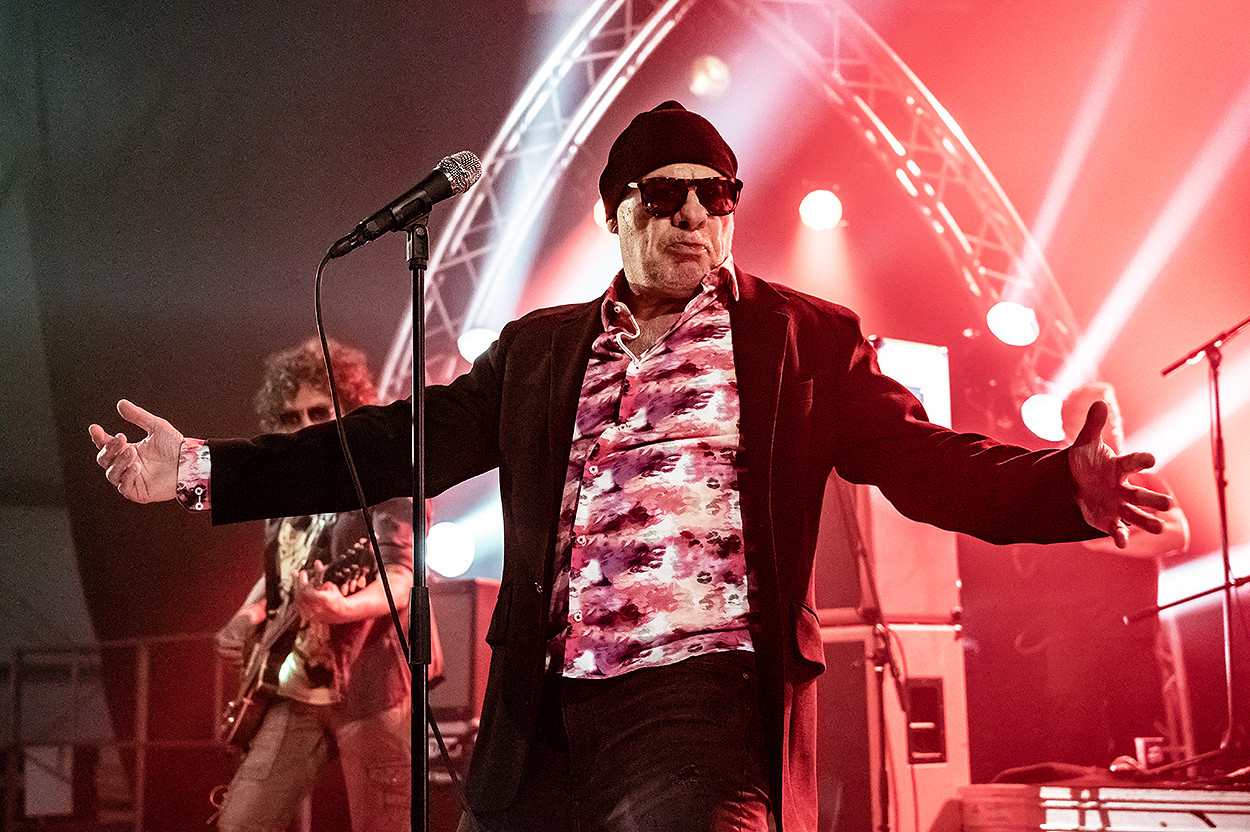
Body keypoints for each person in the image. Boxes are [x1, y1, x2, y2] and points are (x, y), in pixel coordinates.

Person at [90, 101, 1175, 832]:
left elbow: (921, 460)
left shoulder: (801, 340)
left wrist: (1057, 486)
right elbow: (386, 444)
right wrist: (202, 471)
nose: (696, 214)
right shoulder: (538, 351)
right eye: (665, 194)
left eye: (717, 194)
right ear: (615, 212)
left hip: (702, 701)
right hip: (543, 712)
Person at [209, 338, 421, 832]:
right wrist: (246, 616)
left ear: (349, 409)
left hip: (372, 687)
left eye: (319, 411)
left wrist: (340, 609)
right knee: (238, 825)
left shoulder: (386, 475)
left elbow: (401, 578)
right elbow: (281, 576)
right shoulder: (285, 491)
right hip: (296, 687)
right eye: (290, 418)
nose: (305, 426)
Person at [1010, 381, 1189, 769]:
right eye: (1100, 420)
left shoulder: (1146, 480)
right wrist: (1128, 536)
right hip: (1072, 637)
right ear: (1072, 431)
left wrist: (1108, 541)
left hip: (1134, 633)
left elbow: (1177, 533)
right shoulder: (1055, 482)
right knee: (1073, 742)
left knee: (1139, 743)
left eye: (1115, 415)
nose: (1114, 426)